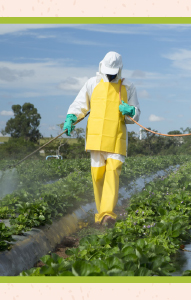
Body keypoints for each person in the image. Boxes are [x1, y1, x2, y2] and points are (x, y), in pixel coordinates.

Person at [63, 51, 140, 227]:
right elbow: (79, 105)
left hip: (116, 137)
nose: (111, 74)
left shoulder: (128, 86)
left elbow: (136, 114)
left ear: (119, 69)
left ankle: (107, 215)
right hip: (96, 138)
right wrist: (71, 118)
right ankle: (101, 215)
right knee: (97, 176)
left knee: (112, 173)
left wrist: (131, 111)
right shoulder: (92, 83)